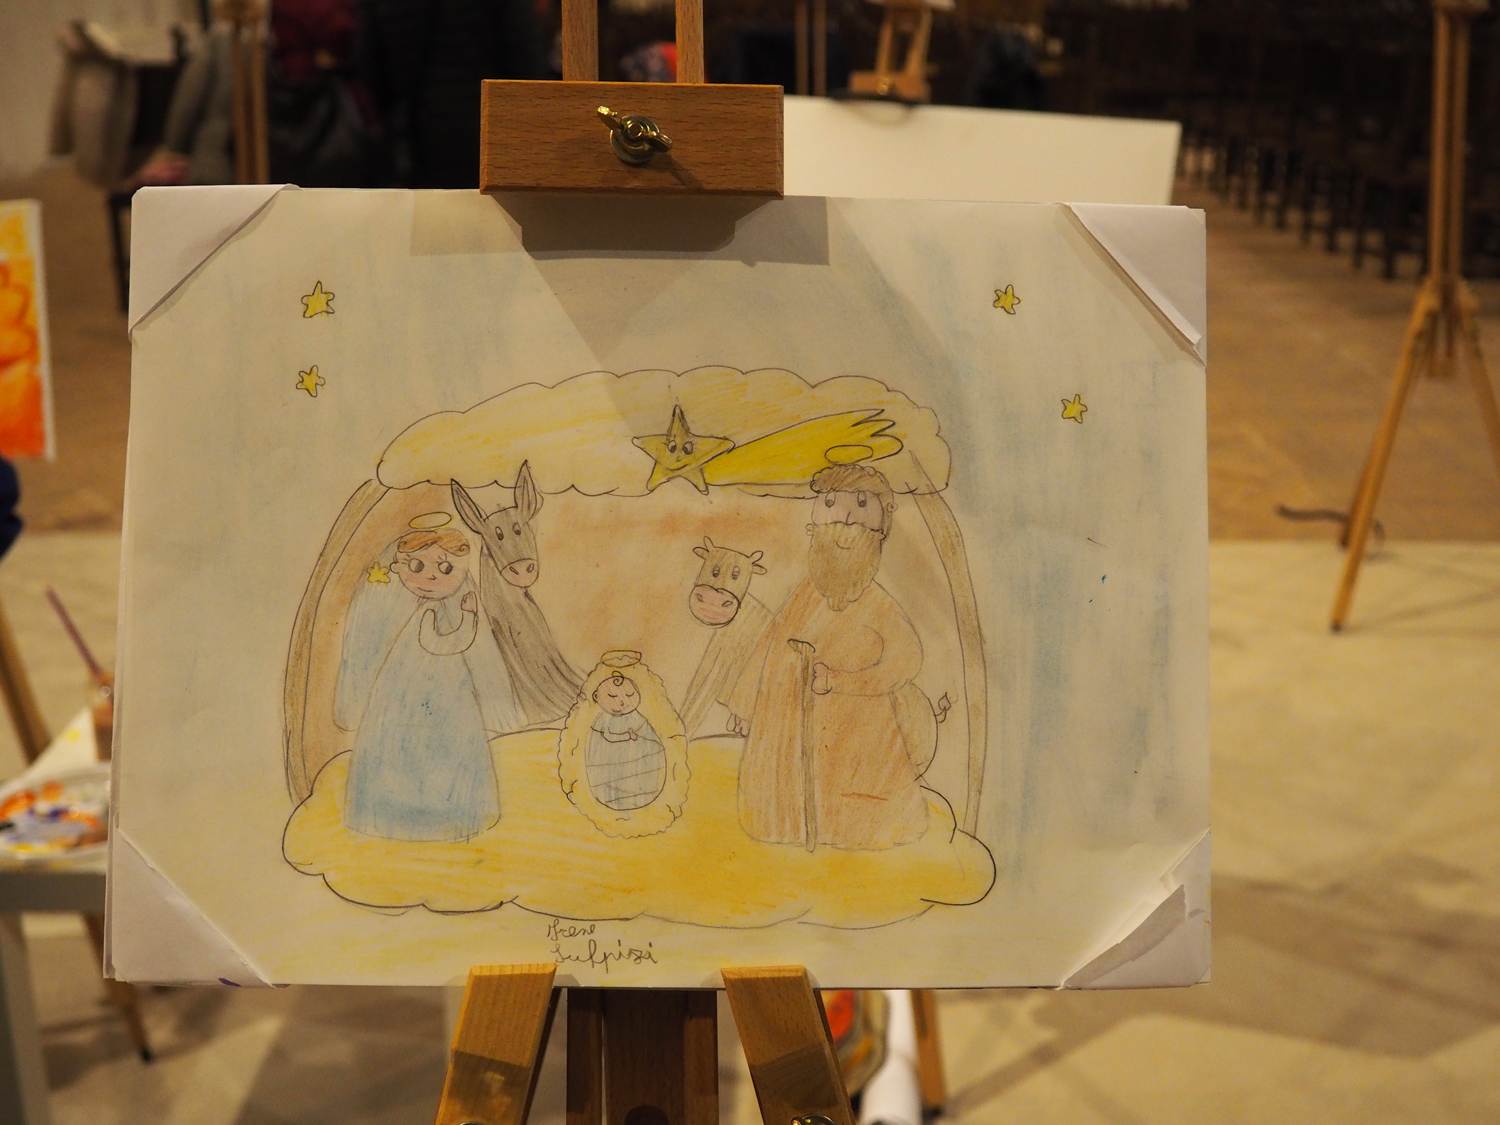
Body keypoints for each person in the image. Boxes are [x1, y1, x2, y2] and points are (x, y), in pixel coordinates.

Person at [727, 464, 928, 850]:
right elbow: (770, 644)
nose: (846, 519)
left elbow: (907, 659)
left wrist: (843, 681)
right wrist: (744, 703)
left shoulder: (879, 607)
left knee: (856, 813)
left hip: (857, 735)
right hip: (786, 728)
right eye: (832, 505)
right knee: (783, 809)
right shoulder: (802, 597)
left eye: (861, 506)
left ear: (880, 531)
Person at [339, 522, 515, 841]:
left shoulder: (433, 609)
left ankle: (442, 810)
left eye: (445, 568)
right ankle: (416, 814)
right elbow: (441, 644)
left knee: (440, 746)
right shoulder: (427, 612)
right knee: (415, 744)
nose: (431, 577)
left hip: (441, 690)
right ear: (399, 568)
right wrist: (470, 619)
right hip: (414, 692)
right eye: (418, 567)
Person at [586, 670, 668, 811]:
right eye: (612, 696)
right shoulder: (603, 721)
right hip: (610, 775)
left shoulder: (637, 718)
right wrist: (627, 736)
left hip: (640, 775)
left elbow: (649, 738)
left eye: (630, 695)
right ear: (596, 697)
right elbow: (609, 737)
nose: (622, 702)